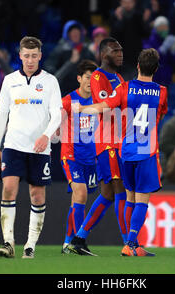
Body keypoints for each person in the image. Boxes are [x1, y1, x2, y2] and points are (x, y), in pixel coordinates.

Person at [71, 48, 168, 257]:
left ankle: (124, 243)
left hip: (125, 150)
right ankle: (131, 243)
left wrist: (81, 109)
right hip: (146, 151)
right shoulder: (162, 91)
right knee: (140, 199)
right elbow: (160, 113)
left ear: (138, 66)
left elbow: (104, 106)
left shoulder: (125, 87)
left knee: (127, 196)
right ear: (157, 69)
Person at [0, 36, 62, 259]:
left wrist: (46, 136)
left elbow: (57, 114)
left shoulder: (50, 81)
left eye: (34, 56)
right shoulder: (10, 80)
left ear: (40, 56)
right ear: (20, 56)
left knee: (37, 195)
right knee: (9, 188)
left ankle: (30, 245)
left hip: (40, 148)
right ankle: (8, 242)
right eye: (26, 56)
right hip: (13, 144)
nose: (30, 60)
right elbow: (2, 114)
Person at [67, 37, 128, 256]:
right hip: (107, 140)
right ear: (104, 55)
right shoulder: (98, 77)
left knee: (108, 194)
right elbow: (105, 107)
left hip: (117, 139)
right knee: (120, 188)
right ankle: (129, 243)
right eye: (115, 50)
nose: (120, 53)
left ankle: (79, 238)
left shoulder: (119, 77)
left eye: (121, 50)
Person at [60, 60, 99, 254]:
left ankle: (67, 243)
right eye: (86, 77)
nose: (90, 81)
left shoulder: (99, 103)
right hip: (71, 155)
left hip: (90, 158)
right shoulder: (68, 101)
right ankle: (78, 242)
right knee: (81, 194)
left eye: (93, 77)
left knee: (77, 199)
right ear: (79, 79)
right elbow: (54, 121)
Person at [43, 20, 96, 96]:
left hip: (83, 94)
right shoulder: (59, 50)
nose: (76, 34)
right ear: (67, 35)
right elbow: (54, 78)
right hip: (63, 93)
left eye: (78, 33)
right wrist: (71, 62)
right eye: (73, 33)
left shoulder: (86, 51)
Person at [110, 0, 150, 80]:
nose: (127, 4)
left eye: (130, 2)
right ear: (121, 3)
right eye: (125, 2)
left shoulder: (138, 16)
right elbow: (113, 37)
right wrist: (120, 20)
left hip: (136, 58)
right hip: (121, 59)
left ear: (134, 3)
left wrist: (145, 21)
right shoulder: (115, 17)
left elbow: (146, 34)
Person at [143, 16, 175, 87]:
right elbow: (148, 57)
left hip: (166, 78)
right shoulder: (149, 39)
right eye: (161, 27)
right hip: (152, 78)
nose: (164, 29)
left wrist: (174, 51)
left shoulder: (170, 40)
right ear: (156, 28)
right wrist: (161, 50)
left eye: (165, 27)